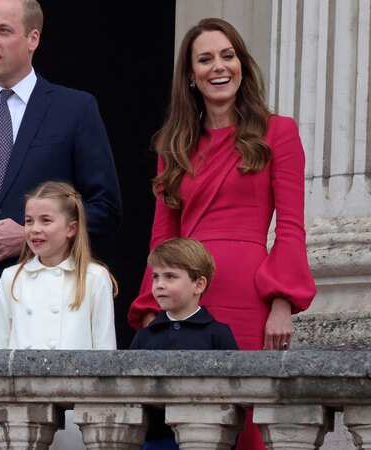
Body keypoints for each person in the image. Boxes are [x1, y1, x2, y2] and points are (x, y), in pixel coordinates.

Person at [127, 18, 316, 450]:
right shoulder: (173, 145)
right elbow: (162, 236)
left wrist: (282, 301)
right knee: (189, 423)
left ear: (242, 65)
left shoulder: (278, 132)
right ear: (191, 76)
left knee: (245, 421)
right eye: (205, 59)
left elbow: (291, 225)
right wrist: (153, 303)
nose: (219, 67)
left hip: (251, 299)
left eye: (227, 56)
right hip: (190, 296)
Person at [0, 0, 121, 347]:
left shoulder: (74, 109)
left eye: (3, 31)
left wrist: (32, 237)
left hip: (48, 310)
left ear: (33, 39)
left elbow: (105, 206)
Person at [0, 181, 116, 450]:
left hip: (77, 411)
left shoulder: (94, 277)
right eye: (29, 221)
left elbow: (105, 350)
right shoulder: (11, 278)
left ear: (71, 228)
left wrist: (104, 412)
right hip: (19, 410)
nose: (35, 229)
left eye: (46, 220)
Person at [130, 238, 238, 450]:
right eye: (156, 277)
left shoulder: (217, 334)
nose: (159, 284)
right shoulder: (145, 336)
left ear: (198, 284)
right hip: (154, 441)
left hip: (207, 438)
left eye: (170, 277)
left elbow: (233, 394)